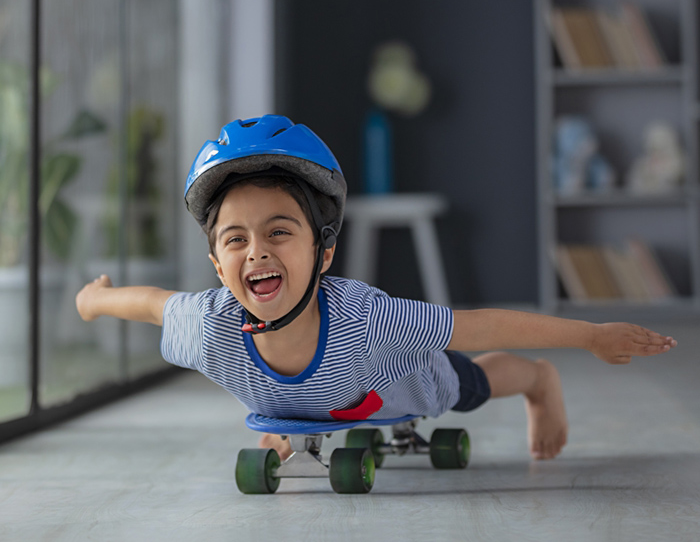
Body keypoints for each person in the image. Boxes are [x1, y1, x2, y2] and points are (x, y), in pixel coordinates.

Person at [76, 115, 677, 462]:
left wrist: (591, 336)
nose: (256, 251)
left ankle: (538, 382)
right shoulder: (211, 326)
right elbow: (154, 305)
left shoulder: (367, 322)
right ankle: (286, 428)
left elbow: (478, 325)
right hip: (303, 403)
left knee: (471, 382)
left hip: (402, 384)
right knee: (285, 407)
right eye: (236, 239)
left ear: (324, 253)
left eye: (279, 232)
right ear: (216, 264)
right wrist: (97, 299)